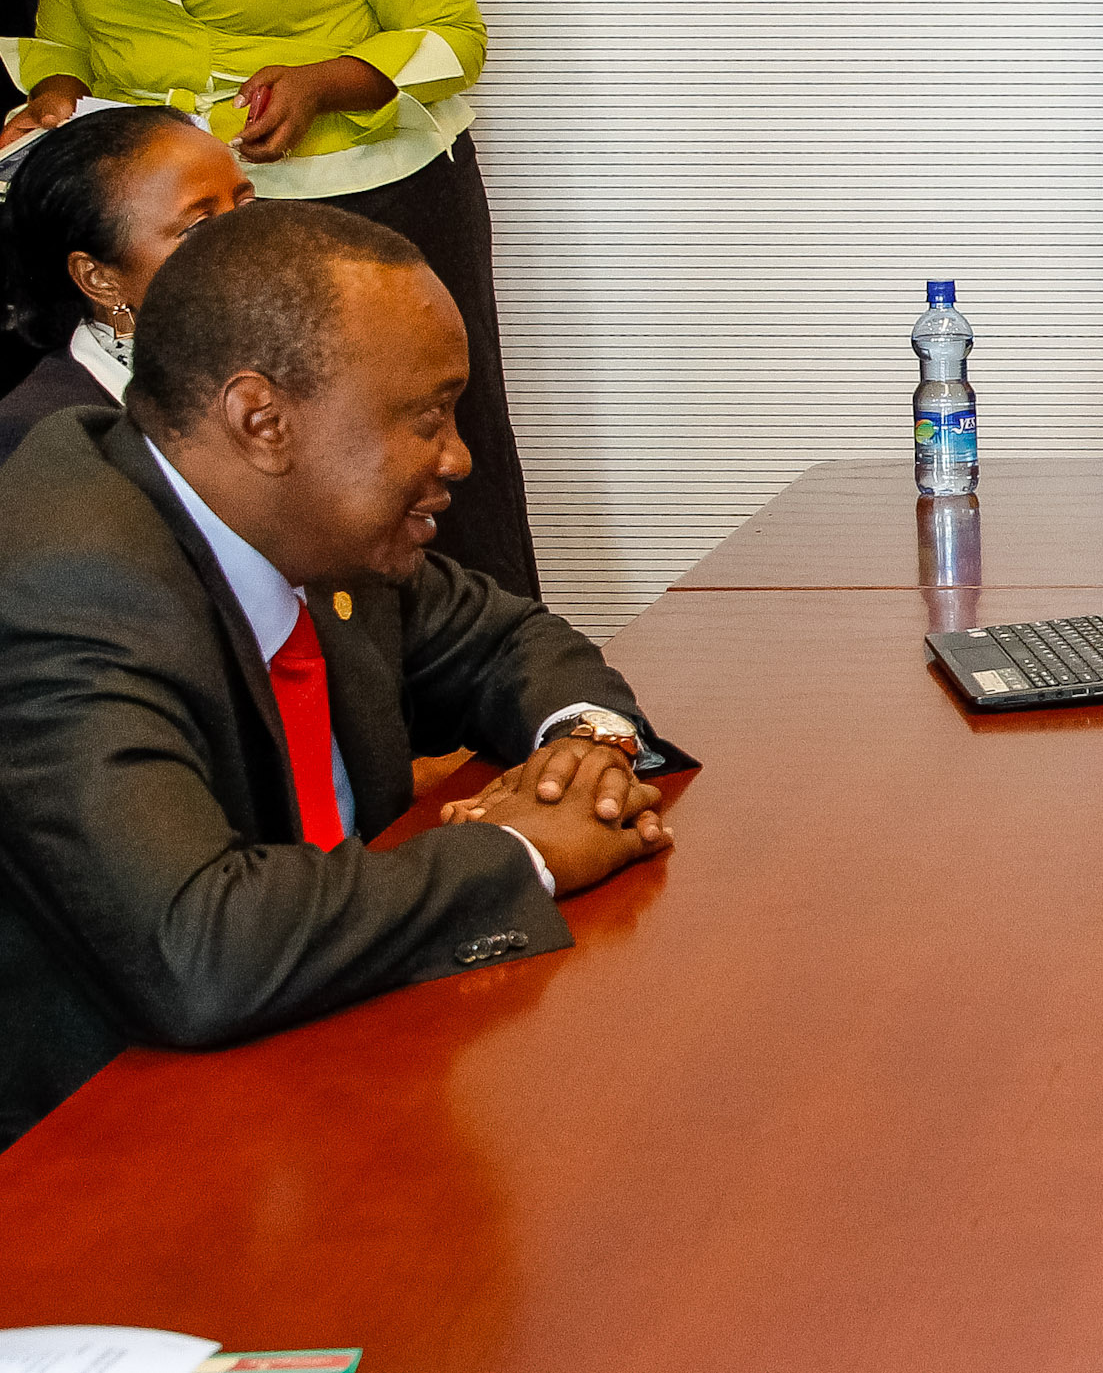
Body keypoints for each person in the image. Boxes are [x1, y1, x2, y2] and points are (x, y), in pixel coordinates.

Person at [0, 201, 681, 1148]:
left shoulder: (305, 524)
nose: (460, 456)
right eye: (426, 417)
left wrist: (585, 745)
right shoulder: (65, 587)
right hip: (108, 1154)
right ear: (262, 421)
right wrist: (522, 853)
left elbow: (505, 640)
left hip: (329, 1066)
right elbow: (199, 947)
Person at [0, 0, 545, 601]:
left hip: (367, 206)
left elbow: (451, 34)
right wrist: (54, 101)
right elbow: (64, 43)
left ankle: (468, 716)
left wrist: (324, 80)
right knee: (244, 463)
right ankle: (271, 705)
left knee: (398, 452)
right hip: (185, 225)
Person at [0, 107, 251, 456]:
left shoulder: (305, 353)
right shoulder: (38, 444)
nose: (252, 237)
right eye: (199, 227)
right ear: (99, 279)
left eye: (247, 205)